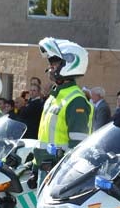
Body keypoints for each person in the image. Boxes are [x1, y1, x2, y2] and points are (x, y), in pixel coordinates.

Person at [35, 37, 93, 180]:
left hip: (60, 174)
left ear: (69, 63)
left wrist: (65, 174)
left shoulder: (76, 100)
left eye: (54, 63)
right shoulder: (54, 96)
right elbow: (44, 137)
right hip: (45, 170)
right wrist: (35, 165)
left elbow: (78, 145)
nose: (50, 67)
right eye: (50, 63)